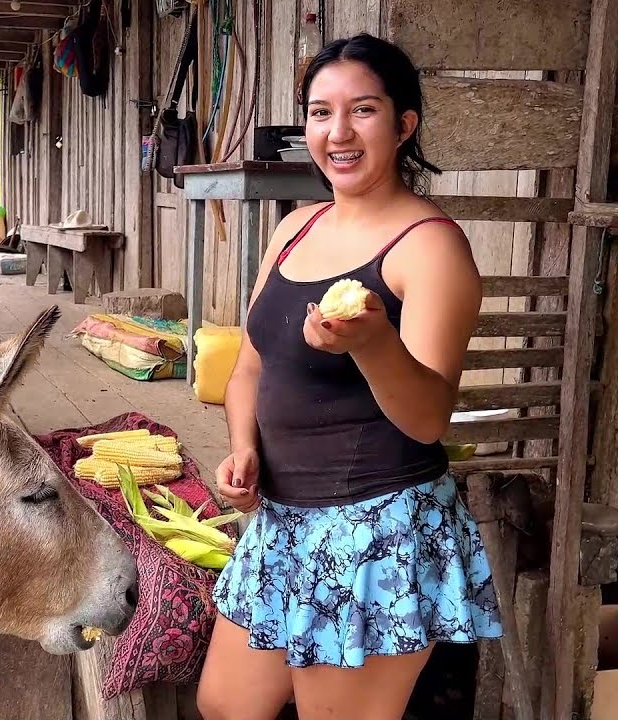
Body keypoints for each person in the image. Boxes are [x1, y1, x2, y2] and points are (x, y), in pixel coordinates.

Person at [196, 32, 504, 720]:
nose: (338, 132)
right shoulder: (295, 229)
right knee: (226, 705)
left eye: (362, 110)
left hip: (374, 529)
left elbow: (428, 418)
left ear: (403, 126)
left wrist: (371, 343)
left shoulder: (429, 247)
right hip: (283, 523)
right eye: (319, 112)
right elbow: (249, 369)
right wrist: (244, 447)